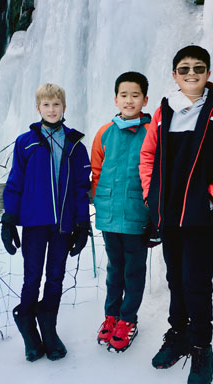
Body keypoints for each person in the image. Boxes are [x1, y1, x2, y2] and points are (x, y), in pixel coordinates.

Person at [139, 45, 213, 383]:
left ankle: (203, 348)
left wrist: (211, 197)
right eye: (184, 69)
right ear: (174, 75)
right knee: (175, 279)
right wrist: (151, 195)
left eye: (198, 68)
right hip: (168, 212)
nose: (191, 74)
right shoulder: (164, 111)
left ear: (208, 74)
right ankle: (179, 335)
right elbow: (148, 156)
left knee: (196, 282)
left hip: (201, 213)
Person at [0, 83, 91, 362]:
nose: (52, 110)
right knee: (32, 278)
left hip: (63, 225)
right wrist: (9, 218)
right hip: (35, 224)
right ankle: (29, 329)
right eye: (46, 105)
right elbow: (15, 183)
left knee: (55, 277)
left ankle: (49, 331)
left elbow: (79, 188)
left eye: (56, 104)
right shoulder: (25, 142)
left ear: (64, 107)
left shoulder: (76, 145)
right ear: (37, 108)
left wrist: (82, 224)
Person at [91, 71, 151, 353]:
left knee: (134, 270)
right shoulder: (105, 132)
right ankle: (111, 315)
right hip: (109, 214)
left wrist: (156, 217)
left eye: (135, 95)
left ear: (145, 99)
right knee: (114, 269)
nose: (129, 100)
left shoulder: (152, 133)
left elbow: (157, 175)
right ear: (116, 99)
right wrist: (96, 201)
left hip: (137, 214)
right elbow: (96, 171)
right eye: (124, 95)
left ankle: (128, 319)